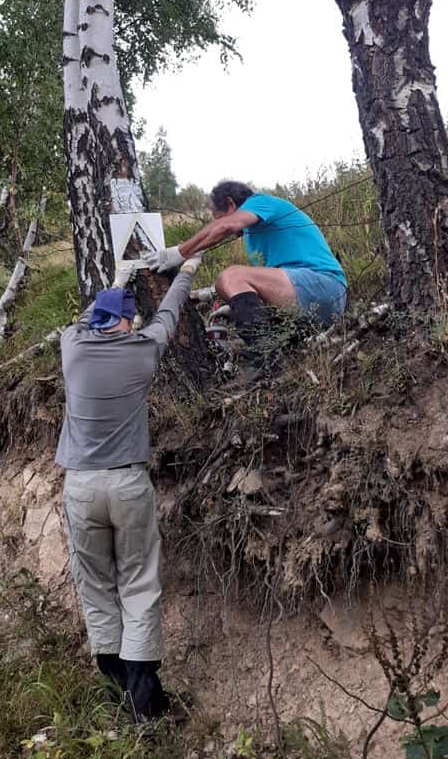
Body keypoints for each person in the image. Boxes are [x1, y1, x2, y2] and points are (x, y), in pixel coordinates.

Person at [55, 255, 201, 720]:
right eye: (129, 315)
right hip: (127, 484)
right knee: (138, 584)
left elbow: (82, 320)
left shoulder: (72, 348)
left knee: (96, 585)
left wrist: (114, 282)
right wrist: (187, 272)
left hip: (79, 486)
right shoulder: (141, 350)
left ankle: (115, 683)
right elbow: (168, 315)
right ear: (124, 321)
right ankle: (147, 702)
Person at [146, 181, 347, 336]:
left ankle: (262, 360)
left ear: (231, 204)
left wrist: (180, 252)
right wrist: (237, 308)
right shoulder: (253, 234)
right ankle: (272, 349)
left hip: (325, 287)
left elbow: (225, 227)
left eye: (220, 217)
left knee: (231, 276)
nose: (220, 223)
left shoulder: (260, 202)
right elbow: (267, 286)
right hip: (309, 298)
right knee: (231, 284)